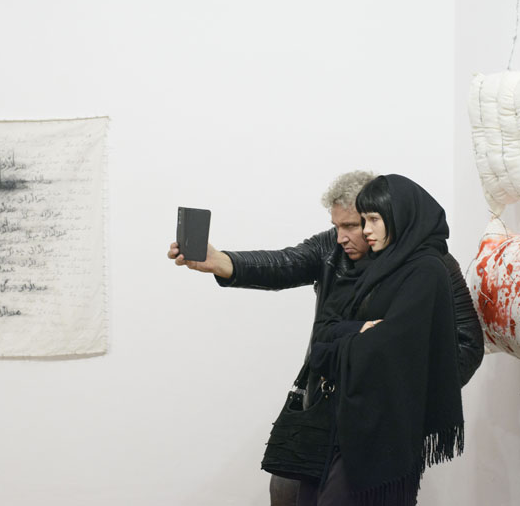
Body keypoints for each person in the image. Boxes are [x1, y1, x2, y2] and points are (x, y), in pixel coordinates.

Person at [167, 171, 482, 506]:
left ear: (386, 216)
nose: (342, 236)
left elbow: (466, 342)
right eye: (337, 226)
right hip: (324, 399)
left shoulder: (428, 265)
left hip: (380, 416)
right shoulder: (333, 249)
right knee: (286, 491)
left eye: (354, 224)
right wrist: (221, 262)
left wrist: (408, 394)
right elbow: (285, 264)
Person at [301, 174, 464, 506]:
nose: (366, 231)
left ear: (399, 215)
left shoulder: (427, 270)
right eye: (363, 220)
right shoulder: (377, 266)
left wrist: (332, 350)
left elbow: (391, 346)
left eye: (373, 219)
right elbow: (326, 329)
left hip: (388, 425)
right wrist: (360, 330)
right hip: (349, 417)